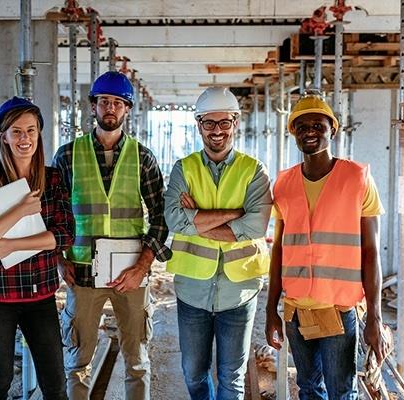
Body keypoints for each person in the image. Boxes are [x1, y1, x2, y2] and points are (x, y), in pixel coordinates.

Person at [52, 71, 171, 400]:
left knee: (137, 361)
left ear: (127, 109)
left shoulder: (142, 157)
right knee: (78, 361)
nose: (110, 108)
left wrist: (143, 267)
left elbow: (161, 216)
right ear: (93, 106)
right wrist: (60, 260)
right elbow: (51, 214)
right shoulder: (67, 155)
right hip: (82, 272)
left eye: (118, 103)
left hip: (129, 272)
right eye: (104, 101)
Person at [265, 92, 389, 399]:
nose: (310, 131)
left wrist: (374, 316)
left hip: (338, 310)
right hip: (295, 310)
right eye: (302, 125)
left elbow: (372, 252)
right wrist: (271, 309)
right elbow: (279, 250)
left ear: (332, 129)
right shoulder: (283, 183)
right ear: (293, 132)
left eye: (318, 125)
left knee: (341, 392)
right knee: (308, 389)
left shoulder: (357, 178)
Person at [164, 87, 272, 400]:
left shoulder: (254, 171)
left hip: (239, 290)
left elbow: (256, 225)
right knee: (194, 372)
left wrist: (197, 218)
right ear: (198, 125)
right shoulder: (183, 169)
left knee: (231, 377)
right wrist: (233, 215)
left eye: (224, 123)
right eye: (209, 123)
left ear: (235, 122)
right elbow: (174, 220)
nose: (217, 131)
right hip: (193, 290)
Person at [0, 96, 74, 400]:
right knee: (0, 379)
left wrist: (8, 242)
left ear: (39, 134)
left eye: (31, 130)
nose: (25, 139)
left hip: (40, 296)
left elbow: (64, 235)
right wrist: (21, 210)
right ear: (4, 137)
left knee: (55, 384)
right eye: (16, 131)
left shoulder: (53, 179)